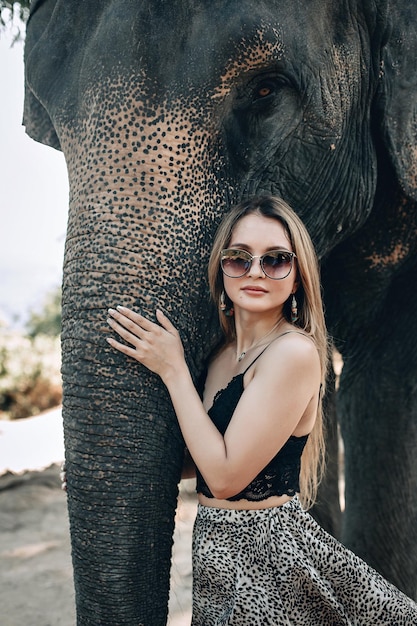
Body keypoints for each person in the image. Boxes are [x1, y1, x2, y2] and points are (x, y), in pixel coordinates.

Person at [105, 196, 417, 625]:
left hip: (271, 562)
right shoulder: (221, 355)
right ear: (221, 267)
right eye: (238, 258)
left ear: (298, 277)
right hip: (218, 556)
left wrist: (173, 369)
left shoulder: (293, 353)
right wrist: (109, 474)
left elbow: (227, 476)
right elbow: (207, 456)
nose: (254, 271)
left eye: (275, 260)